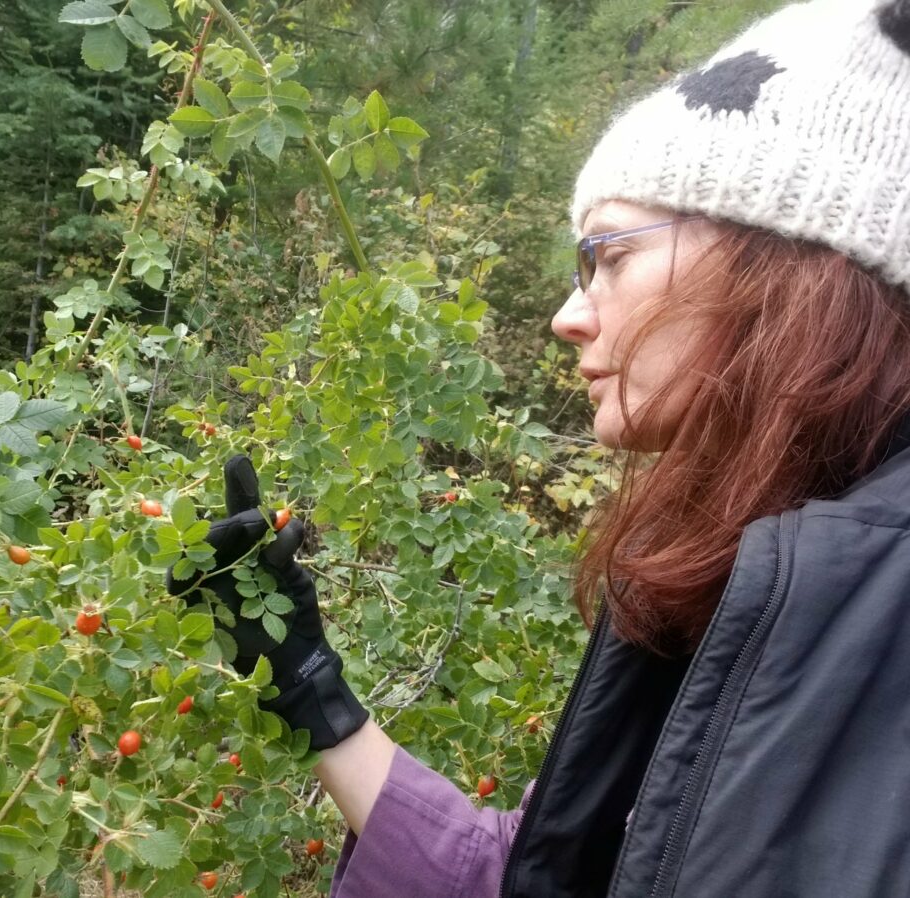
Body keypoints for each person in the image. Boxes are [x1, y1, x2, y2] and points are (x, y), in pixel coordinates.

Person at [168, 0, 910, 894]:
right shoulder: (755, 567)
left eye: (611, 254)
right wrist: (310, 687)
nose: (569, 315)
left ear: (793, 258)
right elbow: (538, 877)